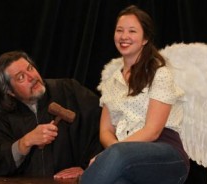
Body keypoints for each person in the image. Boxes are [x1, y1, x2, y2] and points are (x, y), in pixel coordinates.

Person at [80, 5, 190, 184]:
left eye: (132, 31)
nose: (124, 36)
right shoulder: (111, 81)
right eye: (119, 30)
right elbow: (105, 130)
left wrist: (114, 153)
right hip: (127, 157)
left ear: (145, 38)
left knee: (113, 157)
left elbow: (152, 131)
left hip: (165, 153)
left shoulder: (159, 73)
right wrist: (113, 155)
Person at [0, 51, 103, 180]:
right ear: (9, 91)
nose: (32, 77)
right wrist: (25, 142)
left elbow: (108, 124)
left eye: (30, 68)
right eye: (21, 77)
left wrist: (88, 167)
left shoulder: (68, 90)